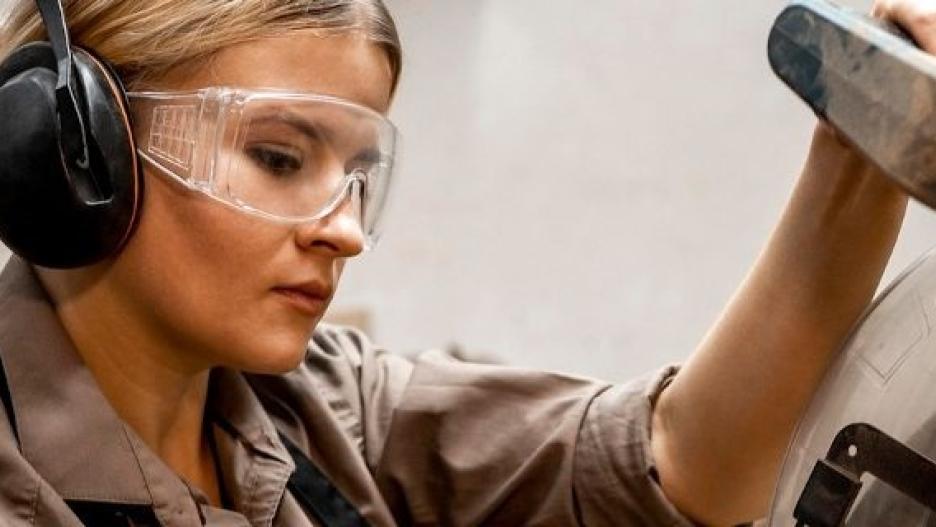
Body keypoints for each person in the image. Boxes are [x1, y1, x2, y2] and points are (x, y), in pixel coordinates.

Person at [0, 0, 929, 525]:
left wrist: (868, 141)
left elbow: (675, 461)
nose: (347, 231)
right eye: (280, 159)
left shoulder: (324, 411)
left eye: (359, 174)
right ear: (72, 147)